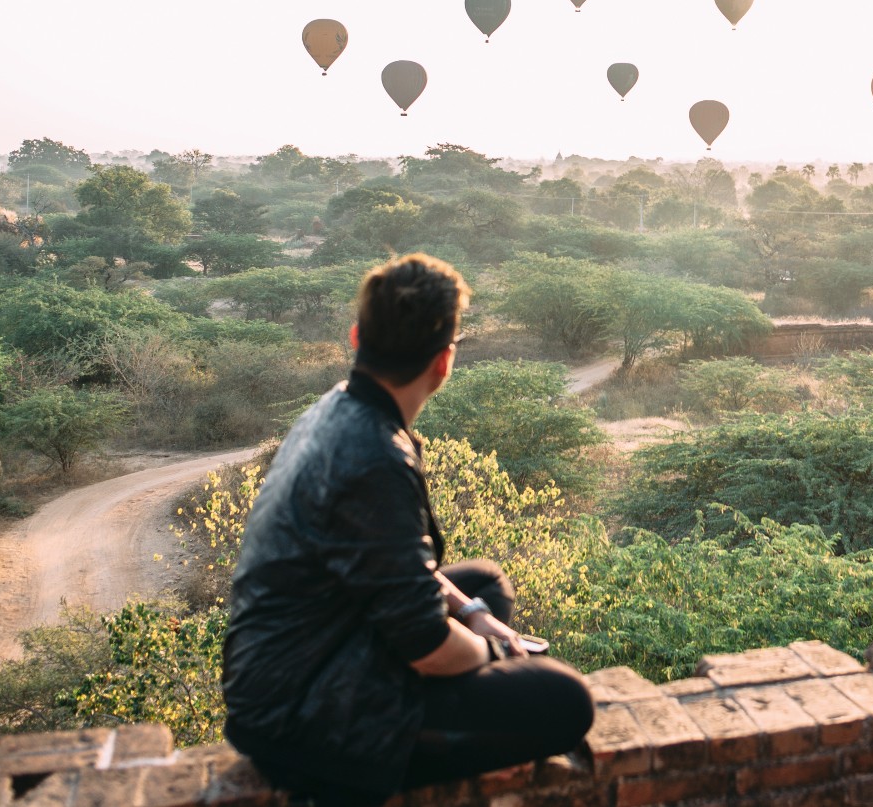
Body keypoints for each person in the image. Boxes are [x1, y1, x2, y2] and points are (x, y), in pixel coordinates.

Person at [221, 254, 595, 806]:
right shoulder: (372, 458)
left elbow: (398, 569)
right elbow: (423, 644)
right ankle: (388, 747)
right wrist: (498, 653)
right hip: (300, 718)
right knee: (566, 702)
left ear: (356, 339)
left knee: (484, 587)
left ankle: (439, 704)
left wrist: (475, 617)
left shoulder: (337, 408)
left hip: (291, 660)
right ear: (444, 362)